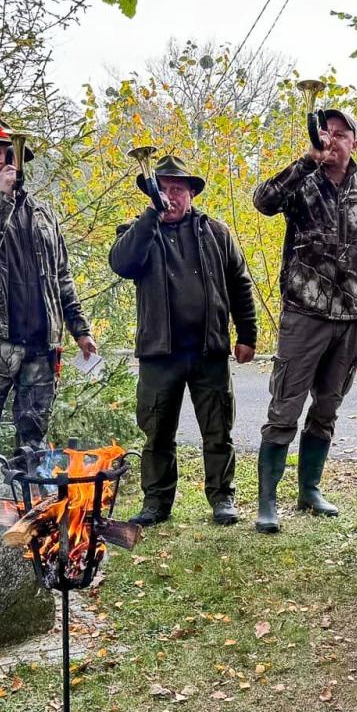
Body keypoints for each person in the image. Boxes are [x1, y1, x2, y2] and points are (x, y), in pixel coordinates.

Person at [250, 106, 357, 533]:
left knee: (327, 408)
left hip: (352, 318)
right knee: (284, 408)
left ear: (355, 143)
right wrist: (305, 161)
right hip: (304, 315)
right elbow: (263, 201)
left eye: (343, 133)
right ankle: (268, 502)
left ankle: (310, 490)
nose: (333, 139)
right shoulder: (303, 183)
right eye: (328, 132)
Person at [109, 154, 258, 526]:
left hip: (209, 351)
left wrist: (248, 334)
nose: (171, 196)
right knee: (157, 433)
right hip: (160, 354)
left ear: (192, 193)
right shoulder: (138, 231)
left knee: (217, 429)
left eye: (178, 189)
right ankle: (157, 503)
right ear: (152, 194)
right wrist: (149, 218)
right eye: (163, 189)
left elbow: (240, 284)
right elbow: (121, 264)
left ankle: (222, 499)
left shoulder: (218, 233)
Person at [0, 122, 96, 456]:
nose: (3, 160)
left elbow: (62, 276)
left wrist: (80, 330)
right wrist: (2, 199)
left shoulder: (42, 212)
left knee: (34, 445)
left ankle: (30, 506)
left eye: (9, 154)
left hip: (41, 346)